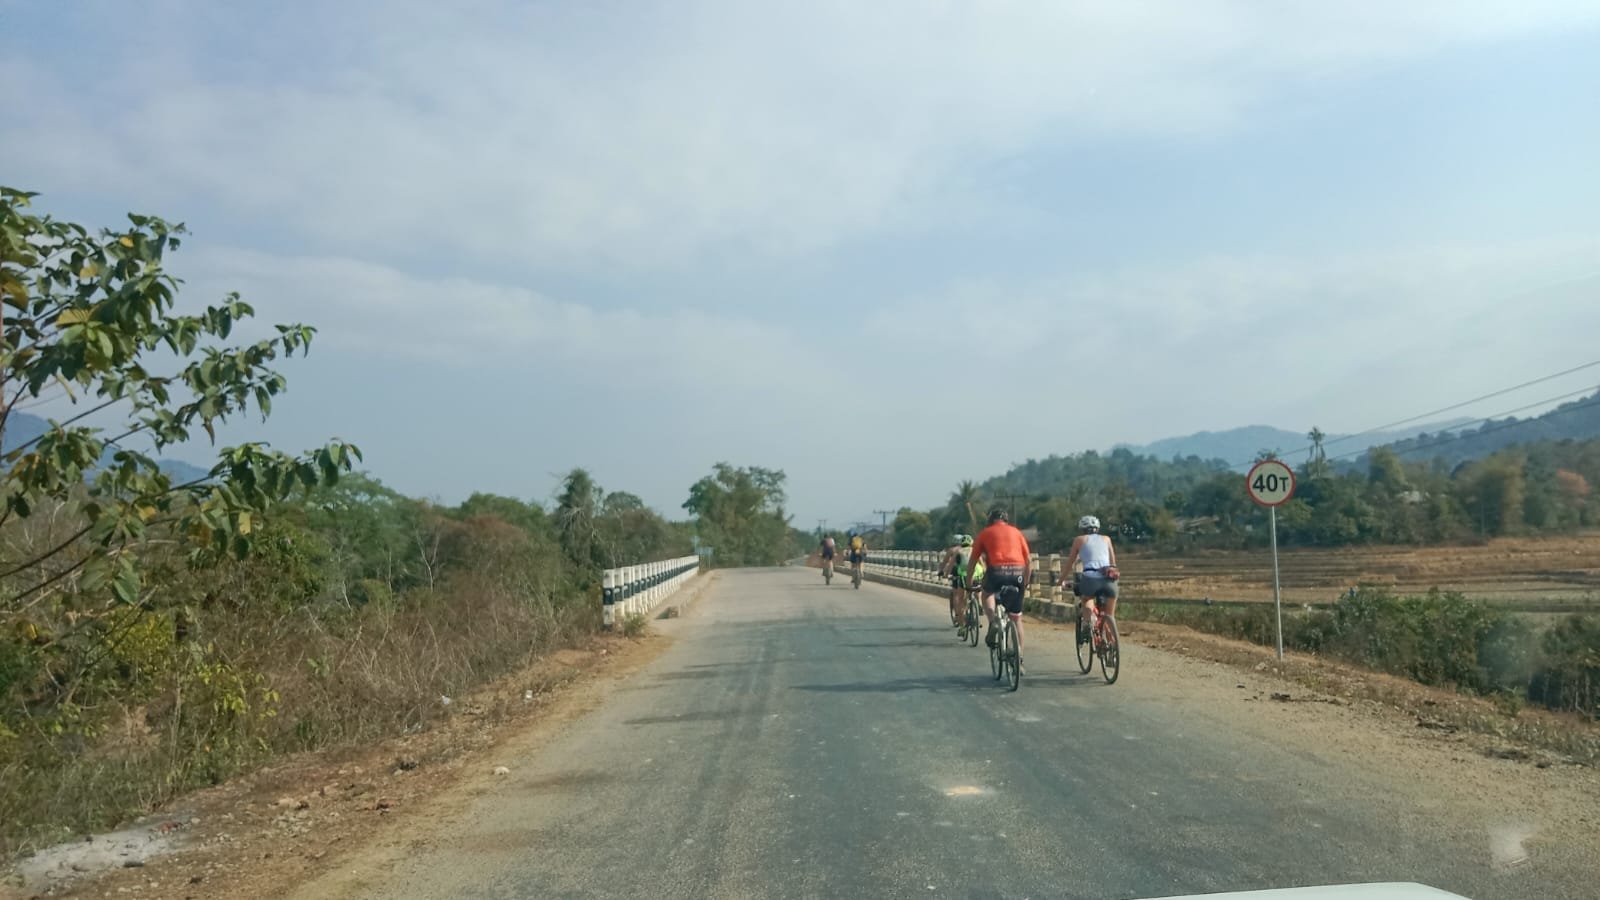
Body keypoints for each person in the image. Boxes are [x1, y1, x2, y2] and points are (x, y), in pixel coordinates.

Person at [966, 508, 1031, 669]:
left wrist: (968, 582)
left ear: (990, 520)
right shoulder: (1017, 532)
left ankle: (993, 619)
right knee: (1016, 619)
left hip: (996, 572)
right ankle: (1020, 659)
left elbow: (973, 561)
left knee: (987, 593)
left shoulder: (984, 533)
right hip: (1017, 573)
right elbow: (1028, 560)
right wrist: (1025, 582)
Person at [1065, 515, 1118, 633]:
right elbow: (1113, 564)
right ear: (1097, 528)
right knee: (1110, 615)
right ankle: (1112, 643)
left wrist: (1059, 581)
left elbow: (1070, 564)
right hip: (1109, 580)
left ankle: (1087, 623)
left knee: (1086, 598)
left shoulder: (1079, 540)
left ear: (1082, 530)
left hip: (1090, 579)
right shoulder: (1107, 539)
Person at [938, 534, 972, 630]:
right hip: (970, 573)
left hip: (957, 574)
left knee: (957, 594)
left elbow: (945, 562)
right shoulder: (969, 549)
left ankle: (958, 614)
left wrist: (941, 572)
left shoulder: (952, 550)